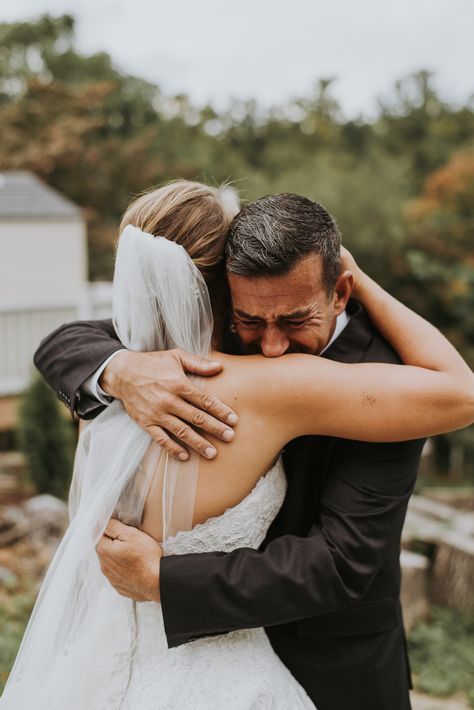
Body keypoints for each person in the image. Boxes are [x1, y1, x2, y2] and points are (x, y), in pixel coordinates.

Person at [24, 181, 474, 710]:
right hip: (188, 657)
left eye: (294, 320)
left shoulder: (389, 375)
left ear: (340, 291)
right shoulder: (180, 352)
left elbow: (342, 562)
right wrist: (120, 369)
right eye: (251, 321)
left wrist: (164, 581)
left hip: (333, 662)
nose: (272, 346)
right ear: (219, 293)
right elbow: (67, 342)